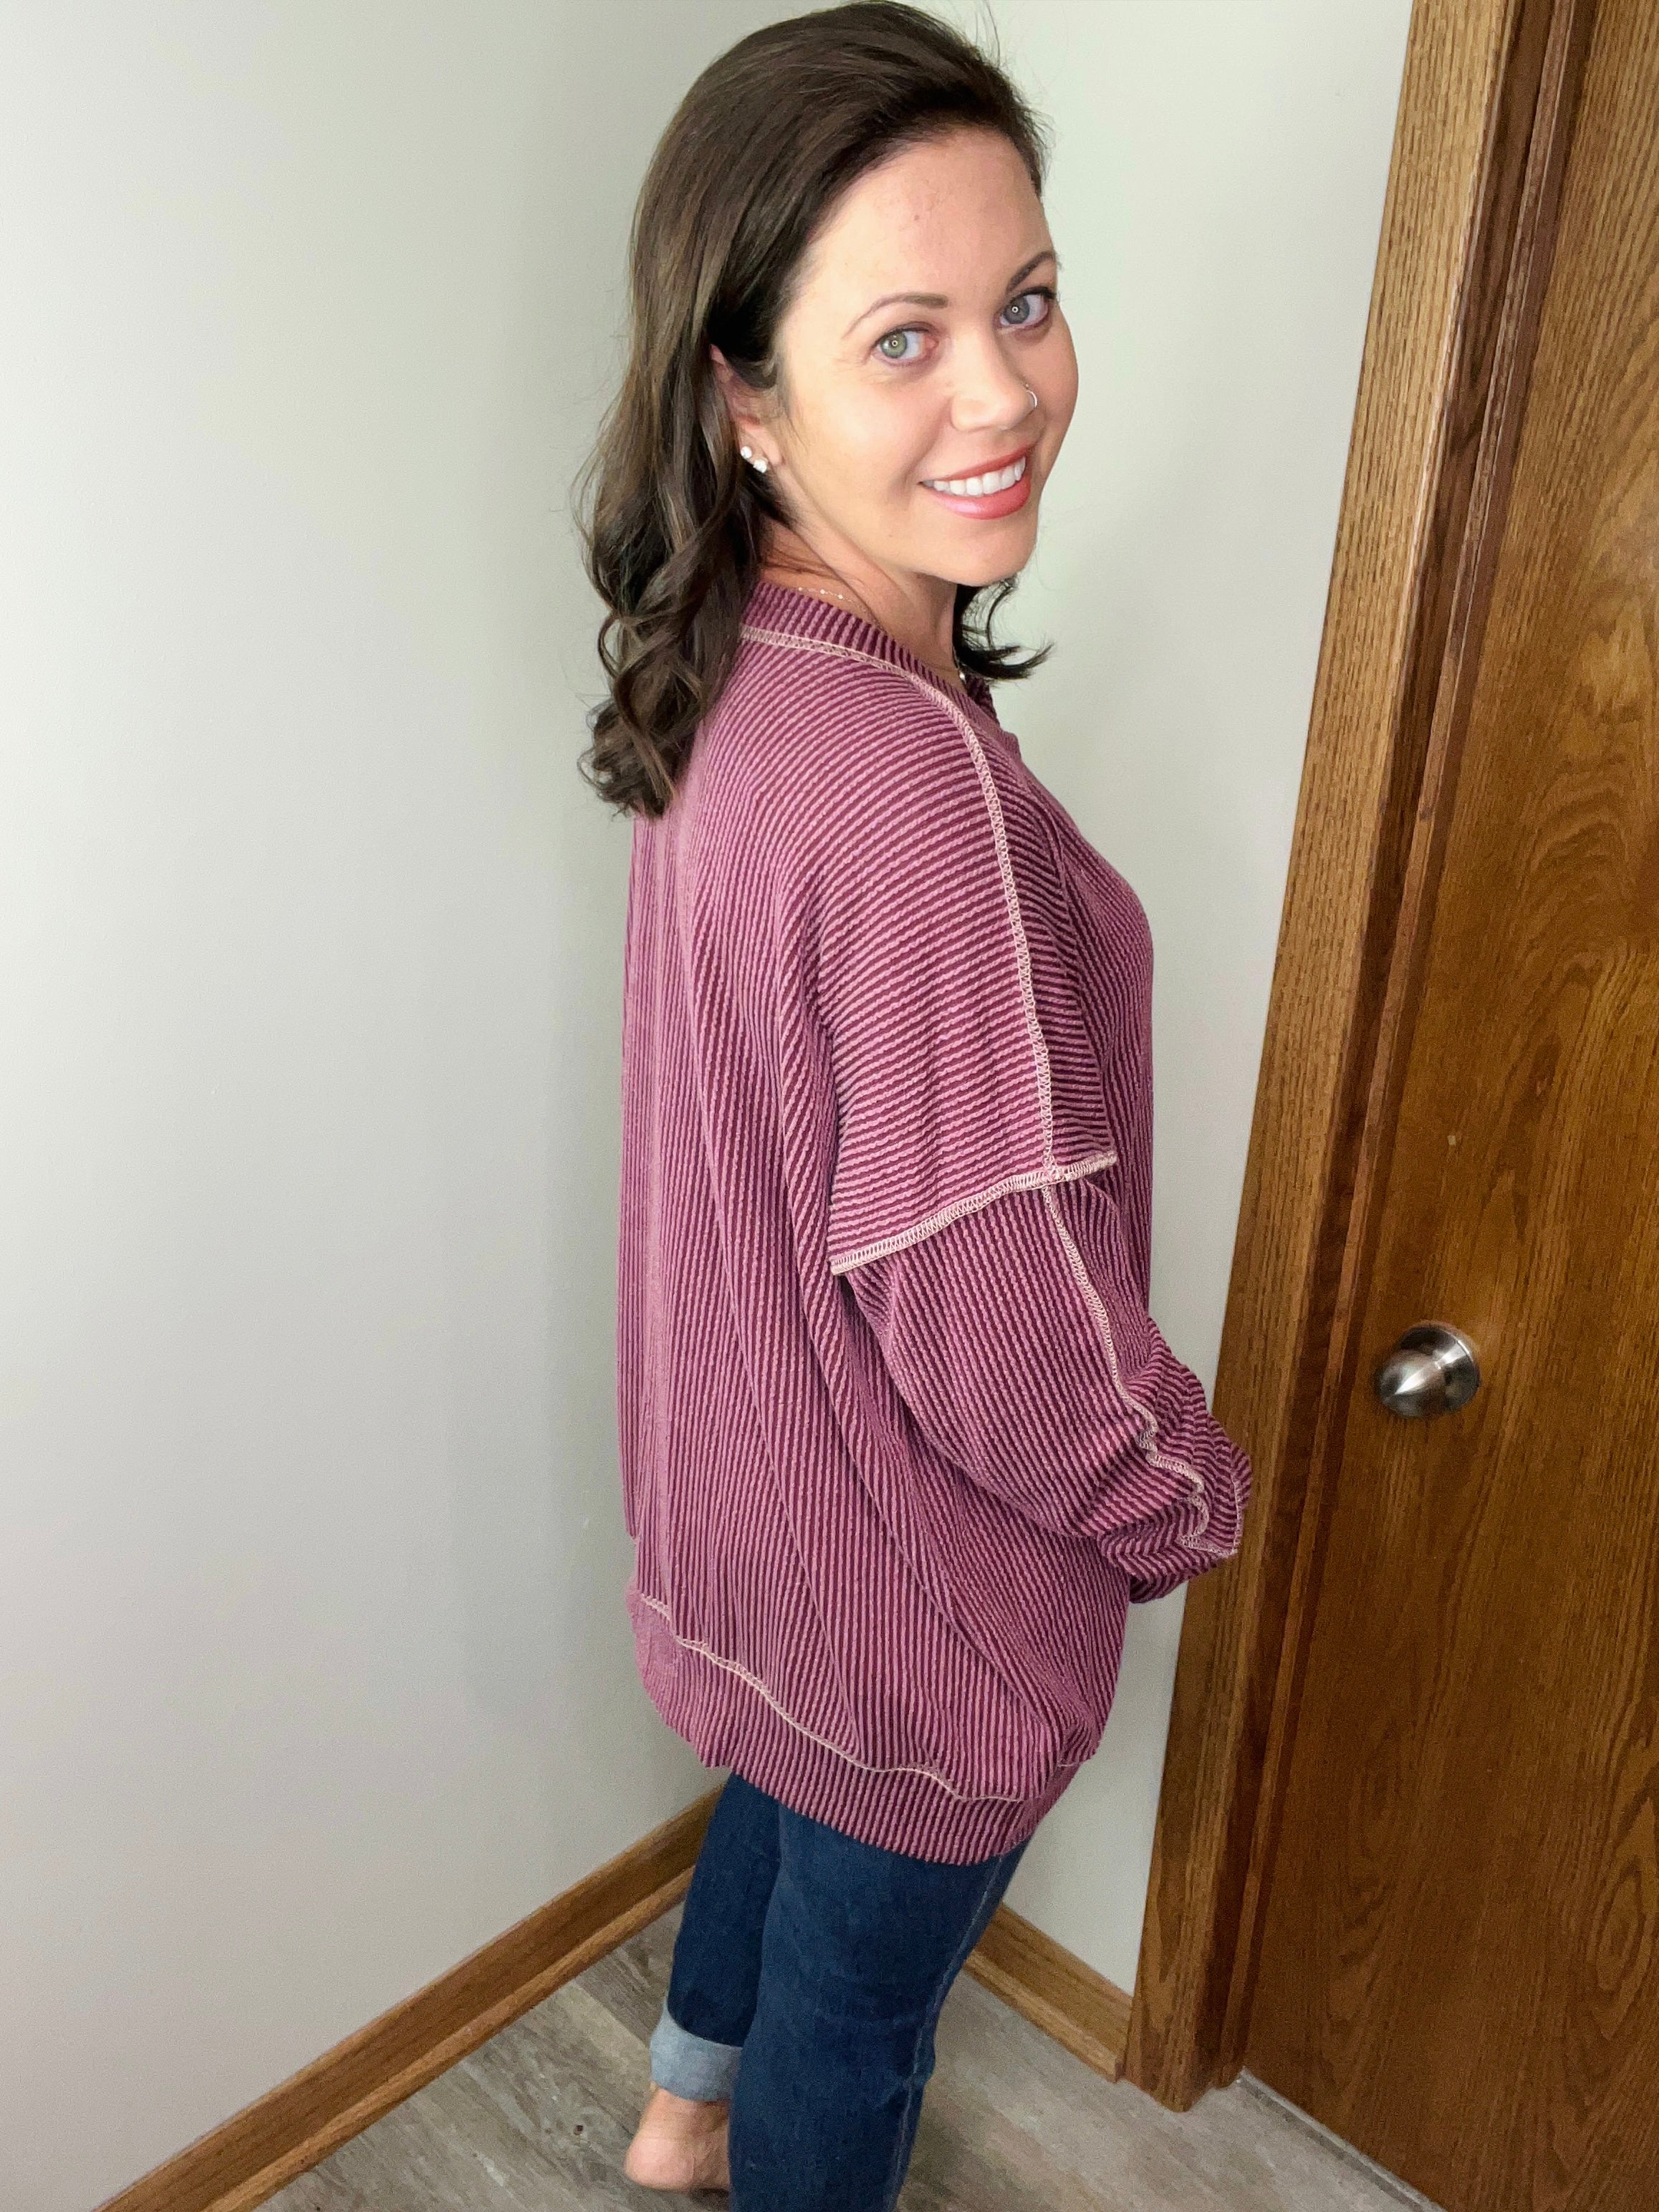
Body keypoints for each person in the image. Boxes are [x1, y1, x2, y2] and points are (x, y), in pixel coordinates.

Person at [575, 6, 1251, 2206]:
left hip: (760, 1518)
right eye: (904, 339)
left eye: (1025, 301)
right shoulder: (904, 789)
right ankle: (734, 2126)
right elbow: (995, 1301)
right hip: (916, 1576)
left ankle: (678, 2112)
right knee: (859, 2026)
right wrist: (1182, 1492)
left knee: (784, 1788)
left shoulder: (734, 680)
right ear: (744, 400)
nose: (1004, 390)